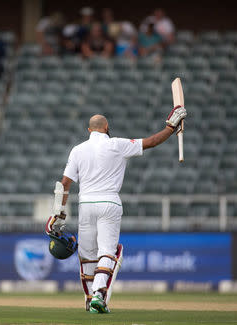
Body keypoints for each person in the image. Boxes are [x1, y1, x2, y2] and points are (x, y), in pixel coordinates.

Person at [45, 107, 187, 313]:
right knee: (107, 252)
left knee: (87, 256)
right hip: (110, 203)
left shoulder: (77, 150)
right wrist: (171, 126)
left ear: (88, 130)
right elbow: (152, 141)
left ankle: (89, 298)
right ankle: (99, 295)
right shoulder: (117, 144)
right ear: (106, 127)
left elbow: (64, 184)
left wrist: (57, 215)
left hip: (86, 205)